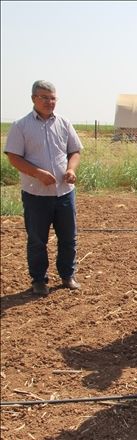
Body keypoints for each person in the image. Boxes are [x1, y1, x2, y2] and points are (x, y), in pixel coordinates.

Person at [4, 80, 83, 297]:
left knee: (69, 236)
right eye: (44, 97)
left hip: (64, 192)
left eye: (53, 98)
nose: (49, 102)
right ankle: (39, 280)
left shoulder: (64, 123)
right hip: (36, 194)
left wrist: (71, 169)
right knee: (38, 239)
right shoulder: (21, 126)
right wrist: (37, 173)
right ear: (33, 99)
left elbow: (74, 151)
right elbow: (13, 157)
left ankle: (68, 276)